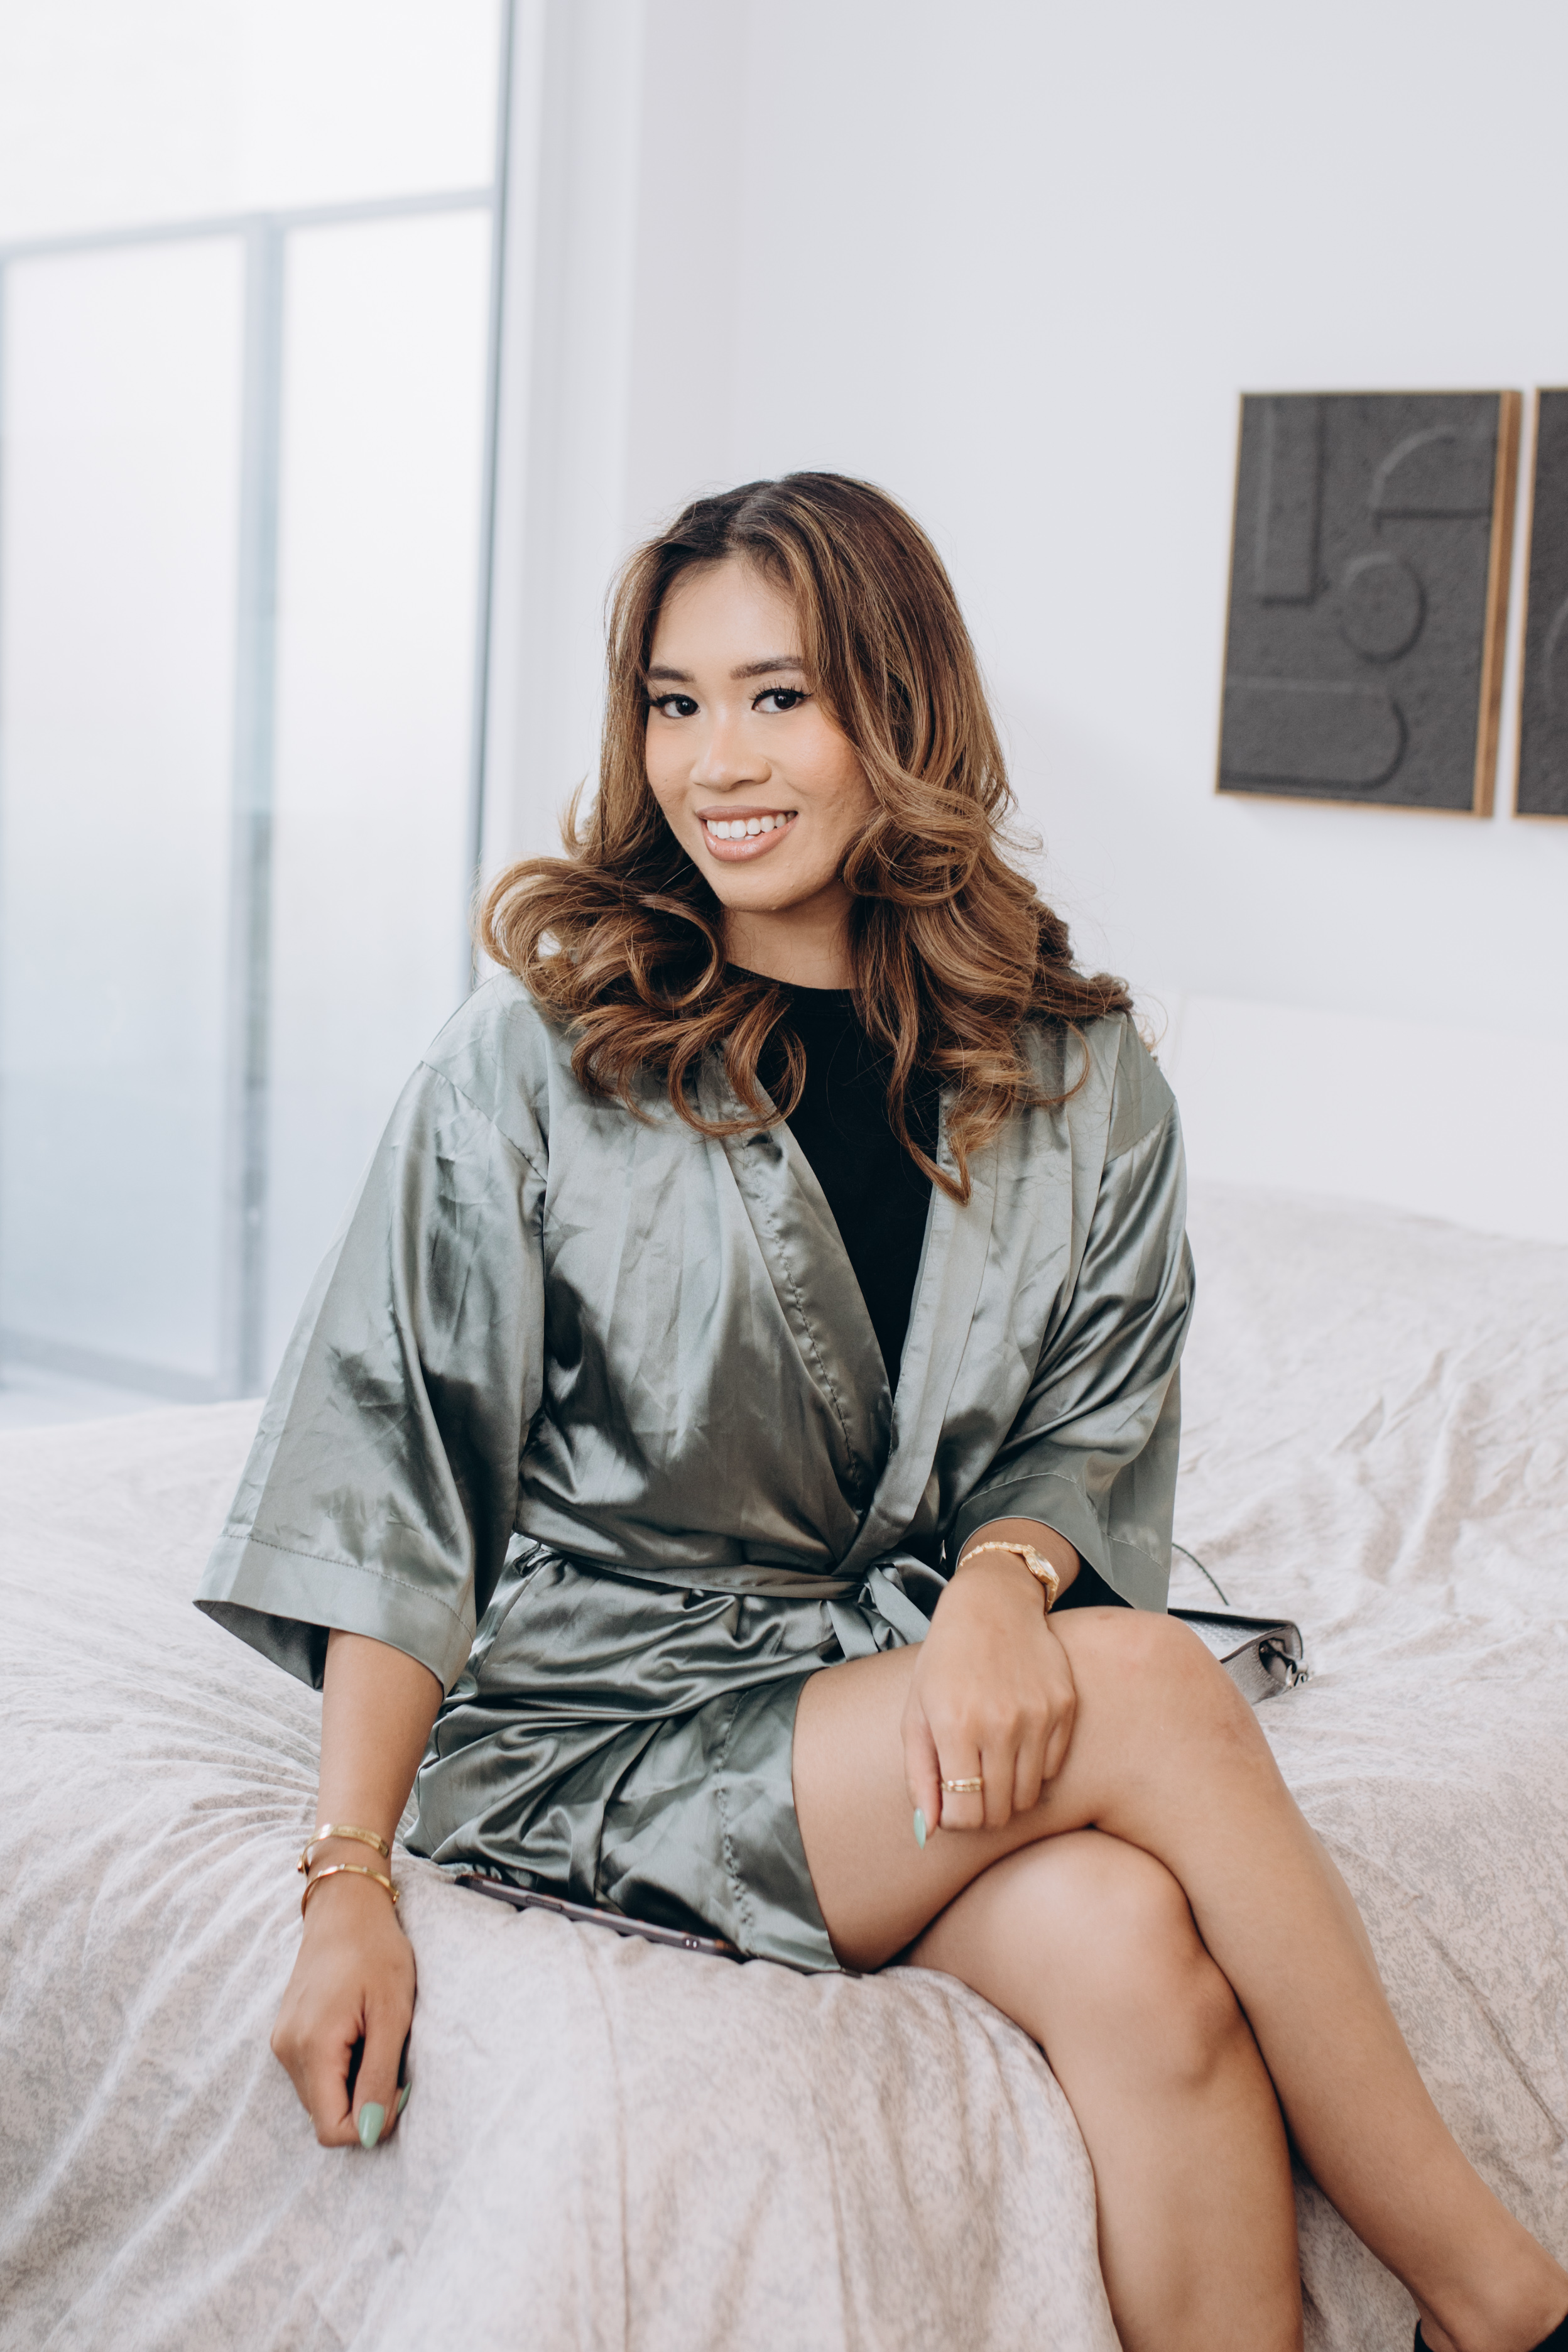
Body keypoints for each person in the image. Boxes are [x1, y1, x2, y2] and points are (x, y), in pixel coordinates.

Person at [198, 474, 1568, 2352]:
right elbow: (398, 1470)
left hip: (902, 1700)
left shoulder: (1080, 1075)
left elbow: (1092, 1420)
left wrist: (1003, 1588)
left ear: (897, 711)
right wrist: (346, 1876)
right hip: (613, 1727)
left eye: (780, 696)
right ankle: (1499, 2294)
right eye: (675, 703)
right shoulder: (533, 1060)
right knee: (1147, 1682)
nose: (717, 760)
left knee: (1140, 1960)